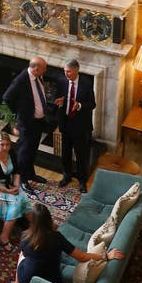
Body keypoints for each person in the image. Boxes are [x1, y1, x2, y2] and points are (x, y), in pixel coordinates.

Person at [12, 202, 124, 283]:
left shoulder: (24, 235)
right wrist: (106, 256)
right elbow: (82, 257)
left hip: (25, 281)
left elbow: (25, 255)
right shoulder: (56, 238)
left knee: (22, 255)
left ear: (32, 222)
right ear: (49, 219)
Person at [2, 57, 49, 194]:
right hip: (27, 123)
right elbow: (7, 97)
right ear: (36, 69)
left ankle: (31, 174)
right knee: (23, 152)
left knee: (33, 149)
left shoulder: (38, 76)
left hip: (38, 121)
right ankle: (22, 180)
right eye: (44, 69)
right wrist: (19, 114)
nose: (45, 71)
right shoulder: (21, 80)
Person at [0, 131, 33, 249]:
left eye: (7, 145)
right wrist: (8, 191)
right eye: (2, 145)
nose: (5, 148)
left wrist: (16, 185)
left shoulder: (11, 153)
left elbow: (16, 171)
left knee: (23, 197)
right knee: (15, 203)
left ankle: (35, 226)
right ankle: (3, 237)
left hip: (6, 182)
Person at [54, 60, 96, 193]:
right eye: (65, 71)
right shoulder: (61, 81)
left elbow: (92, 104)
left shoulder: (86, 84)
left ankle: (82, 181)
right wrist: (59, 102)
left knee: (80, 154)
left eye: (69, 71)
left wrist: (80, 106)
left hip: (80, 125)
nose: (66, 74)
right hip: (65, 122)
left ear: (76, 71)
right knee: (65, 152)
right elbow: (58, 97)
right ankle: (67, 175)